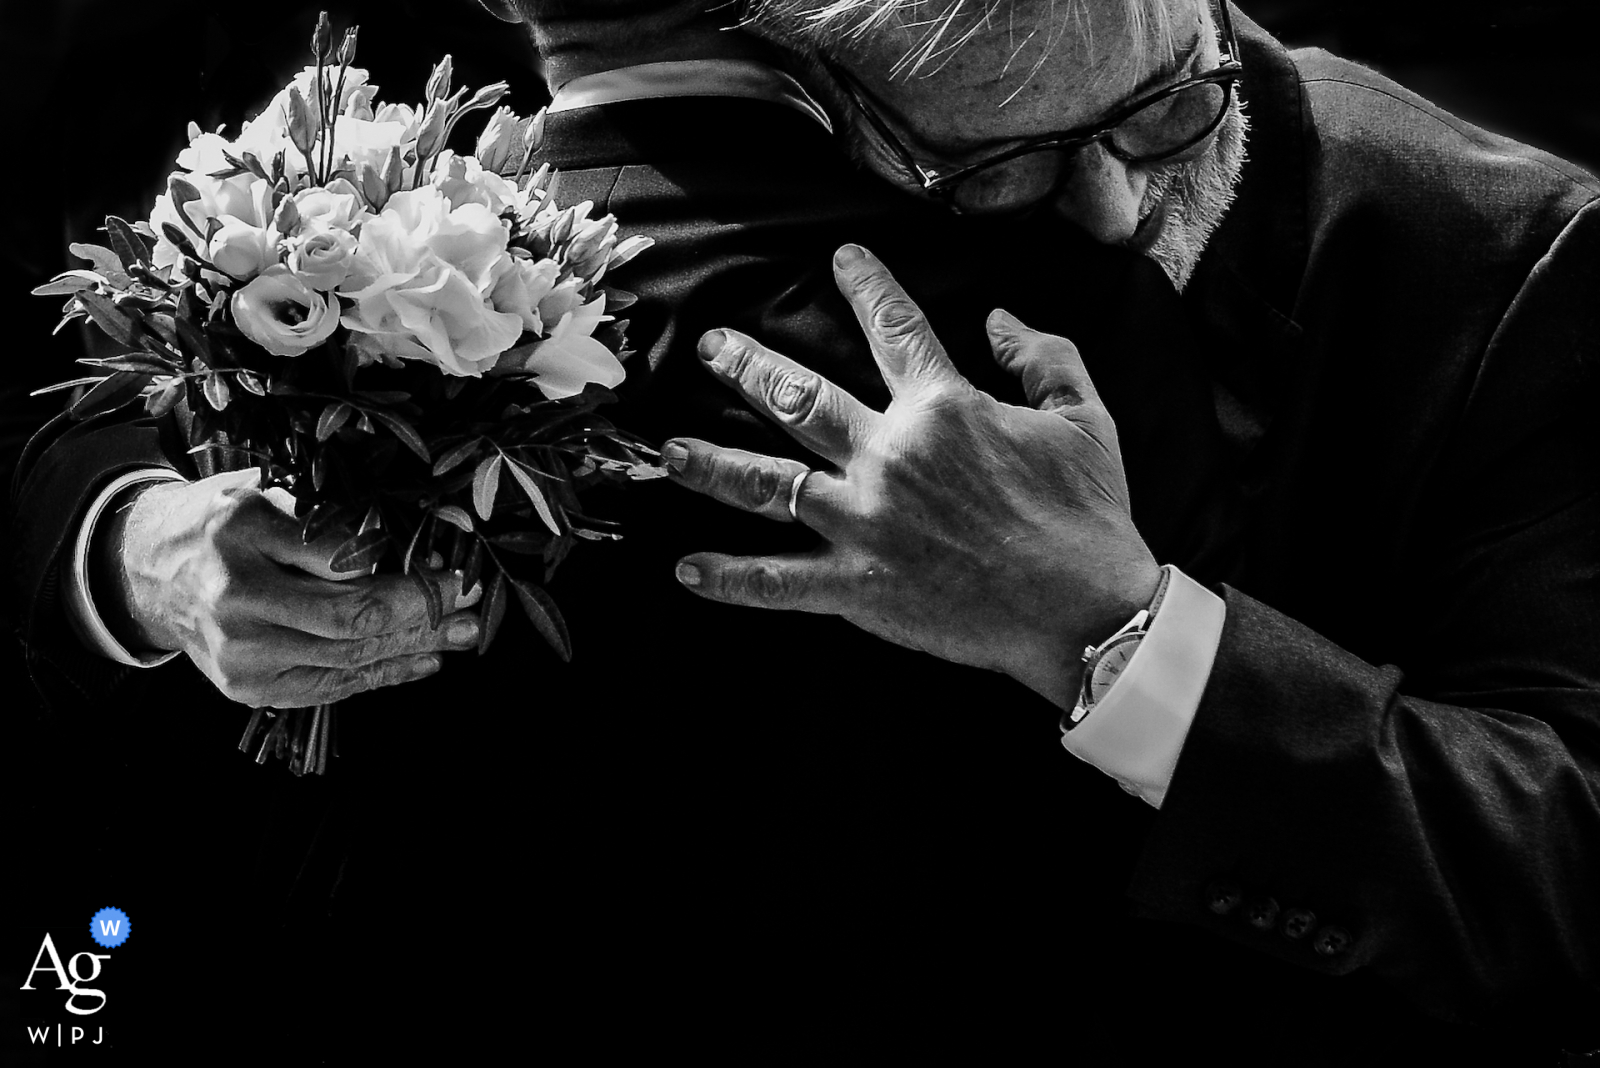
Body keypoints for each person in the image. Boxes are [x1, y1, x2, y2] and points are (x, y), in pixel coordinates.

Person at [653, 0, 1600, 1055]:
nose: (1112, 211)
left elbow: (1571, 866)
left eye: (1167, 109)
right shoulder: (773, 198)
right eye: (1000, 162)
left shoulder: (1521, 258)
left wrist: (1112, 631)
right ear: (823, 93)